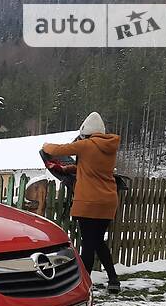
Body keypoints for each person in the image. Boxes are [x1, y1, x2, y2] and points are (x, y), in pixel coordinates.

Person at [42, 112, 122, 293]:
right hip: (108, 201)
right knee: (98, 241)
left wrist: (45, 145)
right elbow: (91, 168)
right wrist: (66, 168)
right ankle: (113, 280)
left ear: (86, 133)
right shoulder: (109, 147)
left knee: (88, 243)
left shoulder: (86, 145)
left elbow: (58, 150)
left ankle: (84, 284)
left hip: (89, 202)